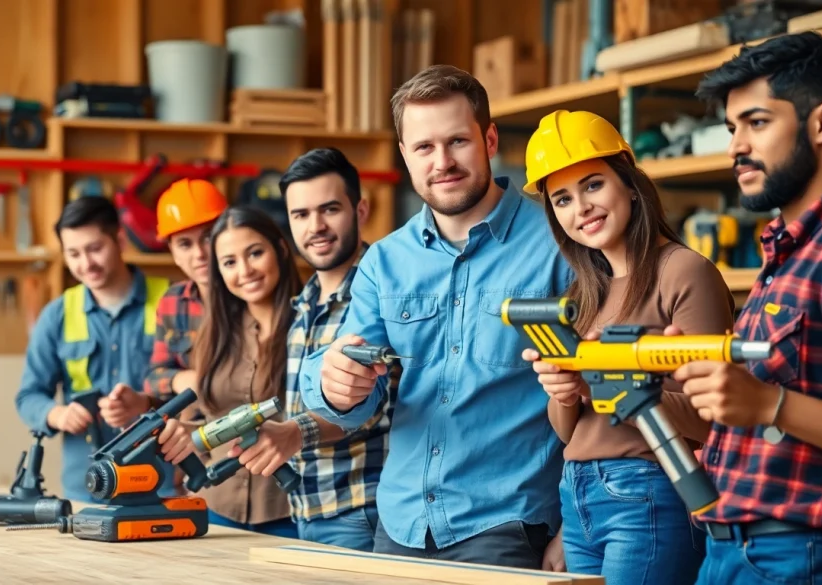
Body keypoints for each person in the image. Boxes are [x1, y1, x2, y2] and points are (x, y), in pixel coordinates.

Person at [298, 64, 572, 569]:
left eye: (457, 142)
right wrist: (333, 382)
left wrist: (573, 528)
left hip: (506, 524)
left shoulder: (561, 243)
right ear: (404, 155)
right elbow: (359, 400)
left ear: (489, 139)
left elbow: (595, 401)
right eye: (424, 147)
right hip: (399, 524)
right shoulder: (384, 261)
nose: (442, 162)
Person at [666, 31, 822, 584]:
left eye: (756, 123)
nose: (734, 147)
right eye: (731, 128)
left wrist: (769, 404)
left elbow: (771, 405)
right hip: (732, 550)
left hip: (802, 558)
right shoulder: (790, 248)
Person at [518, 109, 735, 584]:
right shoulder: (582, 293)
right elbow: (568, 430)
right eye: (562, 199)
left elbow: (715, 416)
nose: (582, 208)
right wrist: (564, 389)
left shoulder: (683, 272)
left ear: (630, 184)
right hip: (577, 497)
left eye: (593, 185)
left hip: (650, 488)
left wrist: (619, 387)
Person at [226, 147, 395, 551]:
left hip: (361, 511)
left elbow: (372, 405)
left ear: (361, 210)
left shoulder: (383, 292)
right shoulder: (303, 303)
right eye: (300, 215)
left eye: (330, 209)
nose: (314, 226)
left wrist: (293, 432)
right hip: (307, 510)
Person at [156, 205, 303, 538]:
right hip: (215, 508)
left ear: (280, 250)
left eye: (255, 253)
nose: (245, 271)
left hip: (289, 511)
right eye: (229, 262)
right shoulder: (217, 331)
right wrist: (186, 432)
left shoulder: (309, 324)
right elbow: (215, 417)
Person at [14, 196, 171, 502]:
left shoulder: (170, 302)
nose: (86, 264)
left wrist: (146, 404)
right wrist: (56, 414)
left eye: (95, 249)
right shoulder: (58, 314)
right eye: (73, 253)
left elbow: (200, 391)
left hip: (160, 484)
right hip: (87, 489)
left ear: (120, 240)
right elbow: (28, 396)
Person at [142, 178, 228, 407]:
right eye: (185, 244)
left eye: (208, 237)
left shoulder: (256, 293)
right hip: (197, 428)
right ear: (173, 252)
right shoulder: (172, 302)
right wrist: (181, 379)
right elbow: (152, 378)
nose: (199, 253)